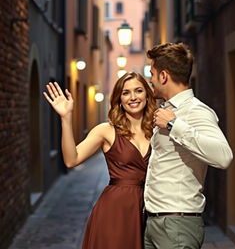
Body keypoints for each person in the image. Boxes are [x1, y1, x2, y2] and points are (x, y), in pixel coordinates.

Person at [43, 72, 156, 249]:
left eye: (138, 91)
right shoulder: (106, 130)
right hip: (115, 210)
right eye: (126, 93)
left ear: (147, 95)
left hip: (152, 208)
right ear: (119, 99)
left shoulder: (158, 130)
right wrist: (66, 119)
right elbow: (71, 160)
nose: (133, 97)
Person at [143, 42, 233, 249]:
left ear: (164, 76)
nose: (151, 80)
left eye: (153, 74)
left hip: (177, 226)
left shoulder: (196, 111)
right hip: (155, 222)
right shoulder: (165, 110)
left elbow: (223, 156)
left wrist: (174, 124)